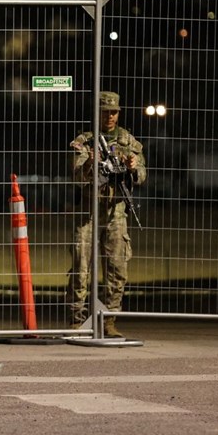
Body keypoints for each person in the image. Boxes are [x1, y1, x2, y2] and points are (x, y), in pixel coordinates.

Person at [67, 91, 146, 337]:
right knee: (81, 267)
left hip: (116, 209)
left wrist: (133, 168)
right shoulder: (85, 140)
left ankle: (110, 320)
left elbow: (142, 175)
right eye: (104, 112)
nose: (109, 116)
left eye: (113, 112)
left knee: (117, 267)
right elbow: (78, 177)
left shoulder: (128, 140)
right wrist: (91, 163)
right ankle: (77, 321)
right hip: (88, 209)